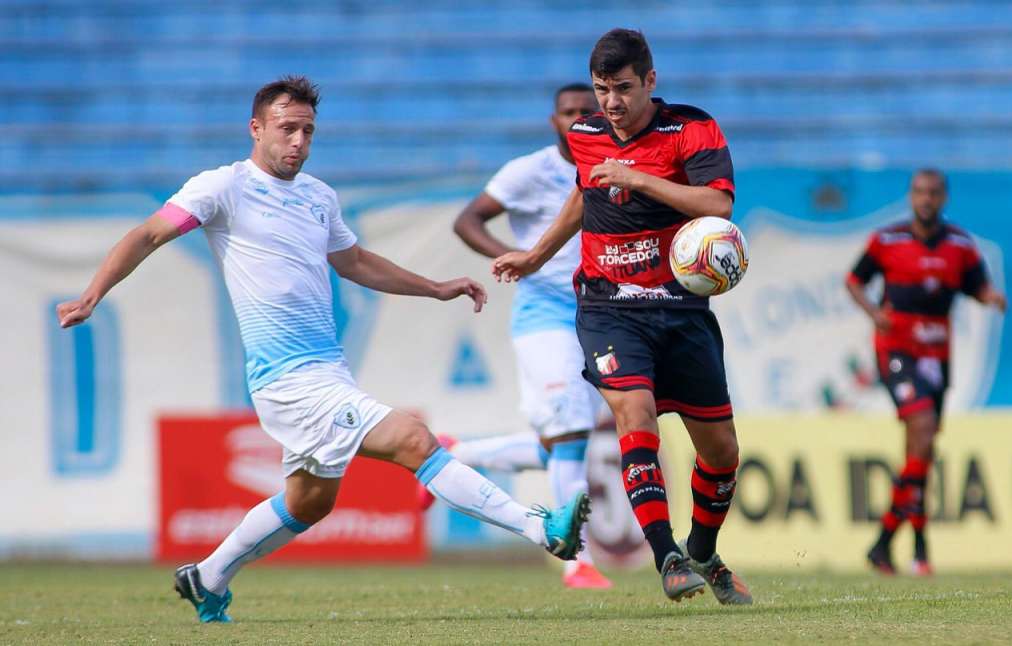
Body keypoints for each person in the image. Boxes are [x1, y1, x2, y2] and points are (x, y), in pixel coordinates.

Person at [55, 76, 590, 623]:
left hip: (327, 371)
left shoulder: (318, 196)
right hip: (286, 379)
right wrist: (93, 294)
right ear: (256, 128)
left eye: (308, 131)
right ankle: (540, 527)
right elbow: (149, 234)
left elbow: (355, 263)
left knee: (310, 502)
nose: (299, 142)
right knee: (413, 440)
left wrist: (434, 287)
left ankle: (208, 576)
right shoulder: (222, 188)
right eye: (287, 129)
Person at [492, 29, 752, 605]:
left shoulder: (692, 128)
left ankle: (703, 552)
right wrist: (536, 255)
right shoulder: (586, 134)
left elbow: (718, 204)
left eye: (623, 89)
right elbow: (586, 194)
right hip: (610, 306)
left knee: (722, 452)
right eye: (601, 89)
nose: (610, 103)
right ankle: (668, 557)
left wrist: (637, 177)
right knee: (633, 411)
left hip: (681, 307)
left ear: (650, 81)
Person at [423, 83, 611, 589]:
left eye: (586, 112)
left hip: (599, 312)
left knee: (561, 443)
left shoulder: (615, 165)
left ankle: (454, 456)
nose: (577, 119)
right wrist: (513, 257)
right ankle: (578, 562)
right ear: (554, 121)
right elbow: (468, 220)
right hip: (544, 314)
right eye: (568, 113)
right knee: (572, 432)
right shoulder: (532, 171)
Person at [846, 168, 1007, 576]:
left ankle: (907, 549)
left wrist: (990, 297)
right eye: (919, 191)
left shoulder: (961, 246)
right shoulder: (887, 240)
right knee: (922, 428)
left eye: (933, 192)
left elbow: (976, 285)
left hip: (938, 355)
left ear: (944, 198)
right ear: (910, 196)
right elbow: (853, 281)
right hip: (898, 349)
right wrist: (873, 313)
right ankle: (891, 544)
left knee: (922, 452)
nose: (926, 198)